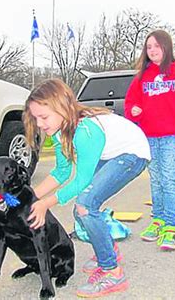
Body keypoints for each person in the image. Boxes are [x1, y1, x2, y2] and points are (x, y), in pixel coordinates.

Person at [24, 79, 150, 297]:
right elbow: (61, 173)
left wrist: (45, 203)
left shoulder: (84, 131)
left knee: (84, 206)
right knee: (81, 208)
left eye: (43, 117)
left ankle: (112, 271)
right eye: (35, 118)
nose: (40, 123)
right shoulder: (57, 131)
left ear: (62, 107)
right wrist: (30, 197)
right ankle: (109, 251)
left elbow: (81, 181)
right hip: (110, 153)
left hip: (133, 153)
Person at [125, 30, 175, 251]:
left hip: (171, 137)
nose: (153, 50)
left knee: (168, 180)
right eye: (149, 47)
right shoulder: (142, 76)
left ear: (166, 47)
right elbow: (130, 104)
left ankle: (171, 226)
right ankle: (157, 220)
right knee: (155, 180)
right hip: (149, 136)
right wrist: (134, 111)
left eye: (157, 46)